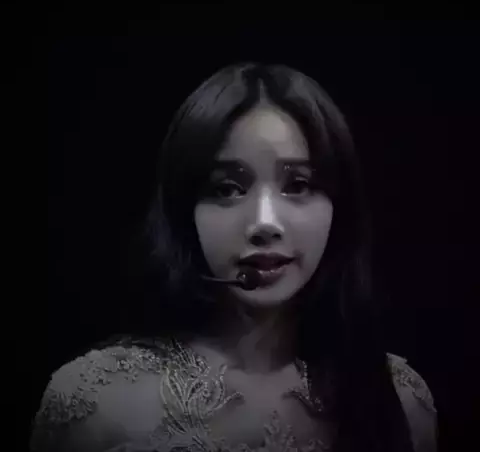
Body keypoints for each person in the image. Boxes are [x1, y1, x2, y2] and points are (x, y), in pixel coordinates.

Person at [31, 63, 437, 452]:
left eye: (298, 185)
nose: (264, 223)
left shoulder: (401, 400)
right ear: (184, 211)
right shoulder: (96, 402)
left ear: (340, 207)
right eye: (227, 189)